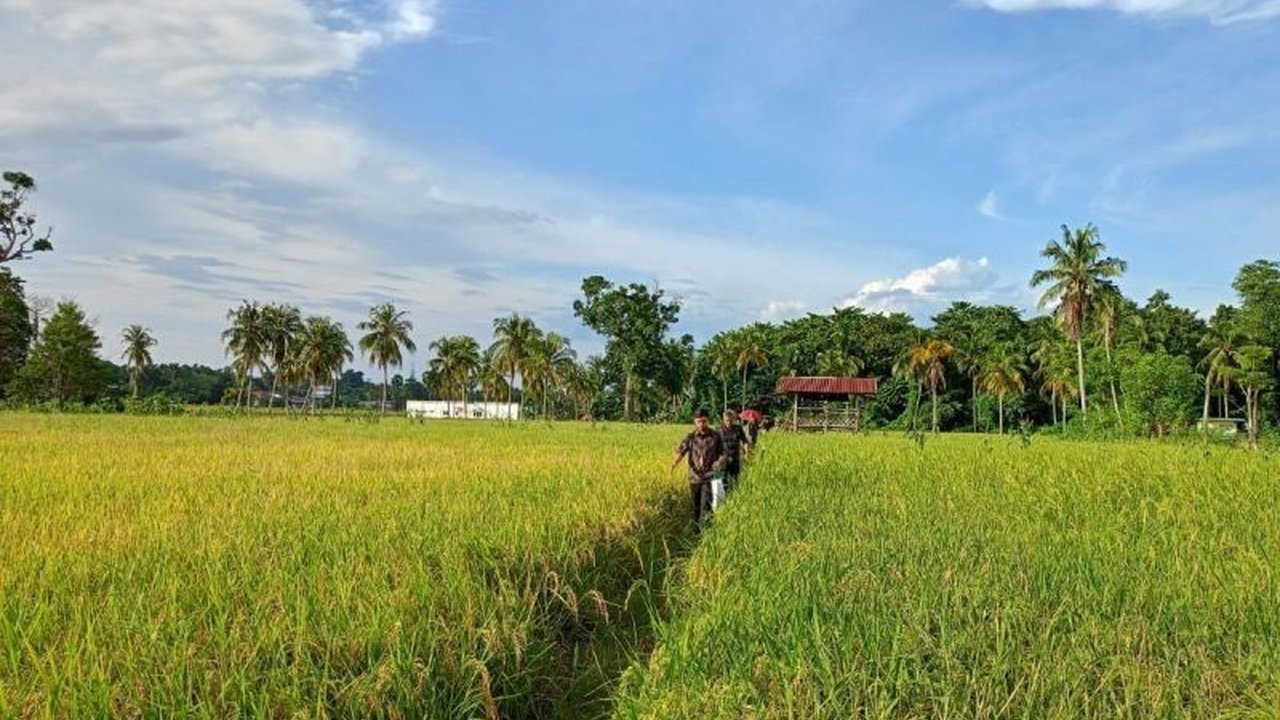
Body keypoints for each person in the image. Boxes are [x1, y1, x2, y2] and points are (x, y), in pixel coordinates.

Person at [672, 408, 724, 530]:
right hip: (694, 478)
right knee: (696, 506)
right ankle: (697, 531)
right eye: (699, 422)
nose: (701, 425)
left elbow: (723, 453)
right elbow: (681, 451)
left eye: (704, 421)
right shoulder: (690, 438)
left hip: (709, 476)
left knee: (705, 506)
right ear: (695, 422)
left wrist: (719, 462)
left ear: (708, 421)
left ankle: (704, 532)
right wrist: (674, 464)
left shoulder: (716, 436)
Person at [719, 410, 750, 494]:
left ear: (734, 419)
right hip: (723, 460)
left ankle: (735, 497)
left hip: (735, 458)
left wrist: (746, 453)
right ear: (723, 419)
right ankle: (725, 499)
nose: (729, 422)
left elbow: (745, 441)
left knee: (735, 481)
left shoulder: (738, 428)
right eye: (727, 420)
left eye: (731, 420)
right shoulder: (719, 430)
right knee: (723, 481)